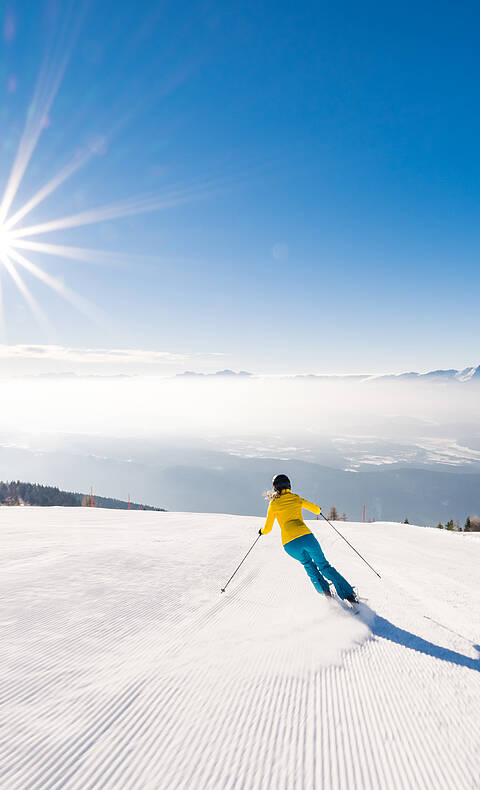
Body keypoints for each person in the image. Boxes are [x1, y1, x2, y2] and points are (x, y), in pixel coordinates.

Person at [259, 473, 357, 603]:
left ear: (275, 488)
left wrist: (261, 531)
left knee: (308, 564)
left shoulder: (273, 504)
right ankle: (348, 595)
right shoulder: (296, 498)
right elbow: (315, 509)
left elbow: (268, 528)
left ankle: (325, 592)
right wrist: (318, 510)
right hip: (306, 537)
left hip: (289, 544)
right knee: (323, 566)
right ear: (289, 486)